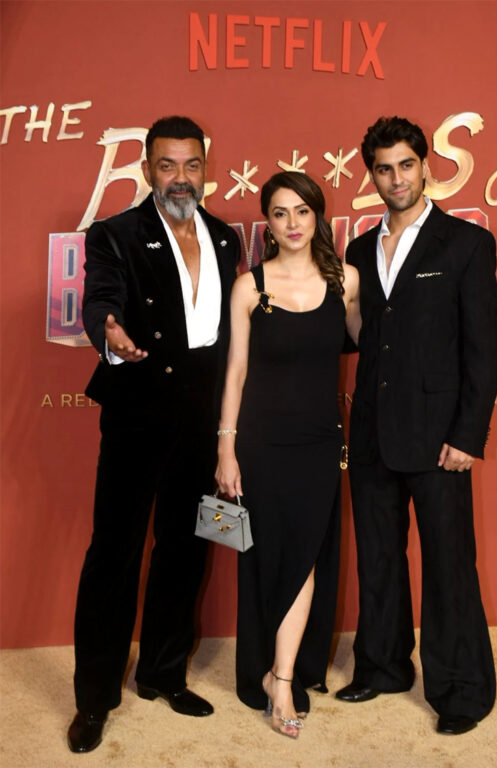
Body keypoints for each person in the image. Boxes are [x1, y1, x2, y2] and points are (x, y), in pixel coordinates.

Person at [67, 116, 240, 753]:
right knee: (113, 557)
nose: (180, 178)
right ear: (147, 170)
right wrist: (109, 331)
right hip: (137, 419)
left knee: (186, 551)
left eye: (191, 165)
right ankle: (94, 699)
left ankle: (163, 673)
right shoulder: (114, 234)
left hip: (202, 423)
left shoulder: (225, 239)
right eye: (167, 166)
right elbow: (100, 298)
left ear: (205, 169)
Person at [336, 116, 497, 735]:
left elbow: (484, 349)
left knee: (449, 564)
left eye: (406, 165)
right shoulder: (358, 250)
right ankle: (382, 666)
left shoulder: (465, 243)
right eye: (384, 169)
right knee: (378, 557)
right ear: (372, 175)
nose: (396, 178)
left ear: (426, 167)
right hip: (373, 432)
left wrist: (467, 436)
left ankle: (461, 690)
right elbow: (363, 338)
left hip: (439, 438)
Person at [215, 171, 360, 739]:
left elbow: (374, 342)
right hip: (260, 445)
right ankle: (275, 674)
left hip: (320, 445)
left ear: (317, 215)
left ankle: (281, 678)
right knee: (267, 559)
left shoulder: (345, 280)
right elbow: (236, 372)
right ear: (267, 224)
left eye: (302, 210)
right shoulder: (249, 288)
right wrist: (226, 447)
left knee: (304, 560)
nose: (293, 223)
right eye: (280, 213)